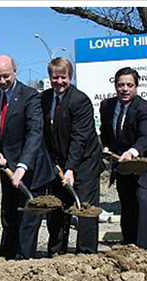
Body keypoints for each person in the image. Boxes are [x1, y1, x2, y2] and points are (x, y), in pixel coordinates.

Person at [0, 55, 55, 260]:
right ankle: (7, 259)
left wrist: (23, 166)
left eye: (6, 76)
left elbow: (35, 132)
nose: (3, 81)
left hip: (31, 168)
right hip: (7, 167)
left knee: (28, 219)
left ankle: (25, 261)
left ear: (15, 71)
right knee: (8, 215)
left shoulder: (30, 96)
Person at [40, 57, 103, 255]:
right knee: (57, 206)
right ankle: (57, 251)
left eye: (63, 77)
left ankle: (86, 254)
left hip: (84, 162)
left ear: (70, 77)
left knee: (84, 207)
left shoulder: (80, 100)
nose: (59, 82)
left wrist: (71, 168)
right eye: (55, 77)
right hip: (59, 161)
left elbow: (80, 138)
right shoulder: (45, 98)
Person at [99, 67, 147, 250]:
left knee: (142, 199)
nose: (125, 89)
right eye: (121, 85)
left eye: (129, 85)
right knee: (127, 202)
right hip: (123, 164)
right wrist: (106, 146)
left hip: (146, 164)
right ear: (115, 86)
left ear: (136, 87)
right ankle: (128, 245)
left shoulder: (146, 108)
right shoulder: (107, 106)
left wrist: (132, 152)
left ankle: (143, 247)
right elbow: (106, 131)